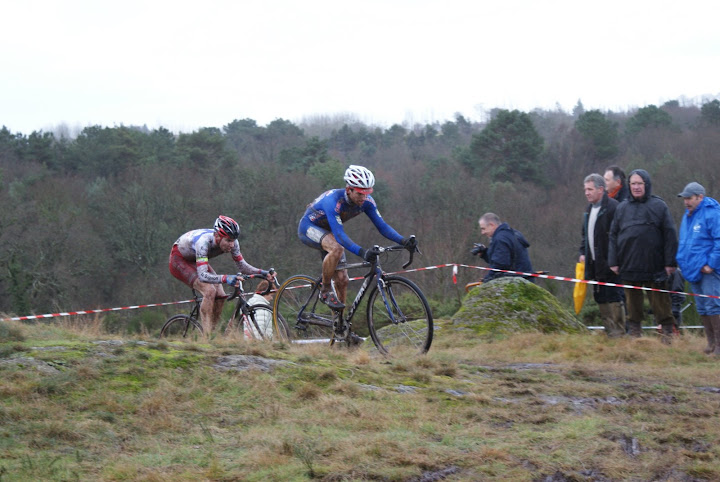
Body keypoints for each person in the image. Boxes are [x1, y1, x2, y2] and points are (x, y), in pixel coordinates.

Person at [298, 165, 417, 310]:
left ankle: (340, 326)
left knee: (342, 280)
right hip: (308, 228)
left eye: (367, 193)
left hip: (329, 231)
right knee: (337, 248)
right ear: (349, 190)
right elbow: (340, 236)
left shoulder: (367, 202)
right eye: (360, 194)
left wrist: (404, 241)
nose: (364, 197)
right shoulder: (333, 201)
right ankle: (325, 289)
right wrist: (363, 252)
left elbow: (382, 226)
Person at [169, 215, 275, 335]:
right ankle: (207, 337)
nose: (232, 244)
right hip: (179, 260)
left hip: (196, 259)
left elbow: (243, 266)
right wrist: (226, 278)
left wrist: (263, 273)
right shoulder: (203, 243)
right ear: (217, 236)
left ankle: (213, 334)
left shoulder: (233, 243)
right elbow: (203, 275)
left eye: (233, 240)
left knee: (221, 295)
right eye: (228, 240)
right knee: (209, 291)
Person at [608, 169, 678, 342]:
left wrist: (670, 262)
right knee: (632, 306)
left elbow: (670, 235)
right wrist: (613, 261)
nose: (637, 187)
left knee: (661, 304)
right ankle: (636, 338)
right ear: (629, 186)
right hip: (629, 265)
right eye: (633, 184)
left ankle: (668, 337)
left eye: (640, 183)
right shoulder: (622, 208)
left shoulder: (659, 206)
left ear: (646, 184)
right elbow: (613, 235)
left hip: (655, 265)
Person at [675, 182, 720, 355]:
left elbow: (719, 240)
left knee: (713, 305)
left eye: (689, 198)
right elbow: (686, 242)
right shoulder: (688, 215)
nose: (686, 201)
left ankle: (719, 346)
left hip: (709, 271)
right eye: (684, 198)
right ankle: (710, 343)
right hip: (693, 270)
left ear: (700, 197)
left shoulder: (712, 213)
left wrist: (711, 264)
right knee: (701, 307)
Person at [578, 173, 625, 337]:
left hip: (611, 264)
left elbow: (620, 236)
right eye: (585, 189)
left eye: (590, 189)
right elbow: (585, 235)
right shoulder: (588, 209)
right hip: (594, 264)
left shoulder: (614, 207)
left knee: (614, 297)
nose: (586, 193)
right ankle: (609, 331)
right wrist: (582, 252)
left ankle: (619, 333)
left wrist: (615, 260)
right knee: (600, 297)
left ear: (600, 189)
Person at [470, 213, 533, 283]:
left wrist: (486, 280)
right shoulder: (512, 233)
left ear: (491, 225)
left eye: (483, 229)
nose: (482, 232)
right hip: (524, 278)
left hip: (516, 282)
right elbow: (503, 259)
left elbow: (500, 266)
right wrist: (484, 253)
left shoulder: (500, 239)